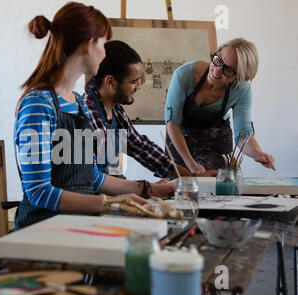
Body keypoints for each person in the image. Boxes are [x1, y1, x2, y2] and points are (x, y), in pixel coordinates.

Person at [14, 2, 175, 230]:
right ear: (89, 45)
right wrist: (111, 204)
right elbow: (39, 192)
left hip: (78, 227)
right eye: (103, 43)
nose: (105, 51)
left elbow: (92, 177)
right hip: (42, 232)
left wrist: (147, 190)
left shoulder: (77, 103)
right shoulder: (39, 104)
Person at [84, 40, 215, 178]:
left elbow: (142, 148)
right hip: (96, 196)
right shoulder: (87, 112)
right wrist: (146, 189)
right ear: (111, 82)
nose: (139, 87)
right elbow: (95, 180)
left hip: (113, 191)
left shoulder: (116, 111)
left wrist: (191, 179)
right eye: (134, 82)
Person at [165, 38, 276, 174]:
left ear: (240, 76)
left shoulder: (241, 89)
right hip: (180, 139)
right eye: (218, 60)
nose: (217, 71)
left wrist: (257, 153)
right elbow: (172, 123)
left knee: (220, 189)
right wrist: (191, 164)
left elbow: (243, 135)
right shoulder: (184, 75)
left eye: (228, 70)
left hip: (215, 141)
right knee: (180, 189)